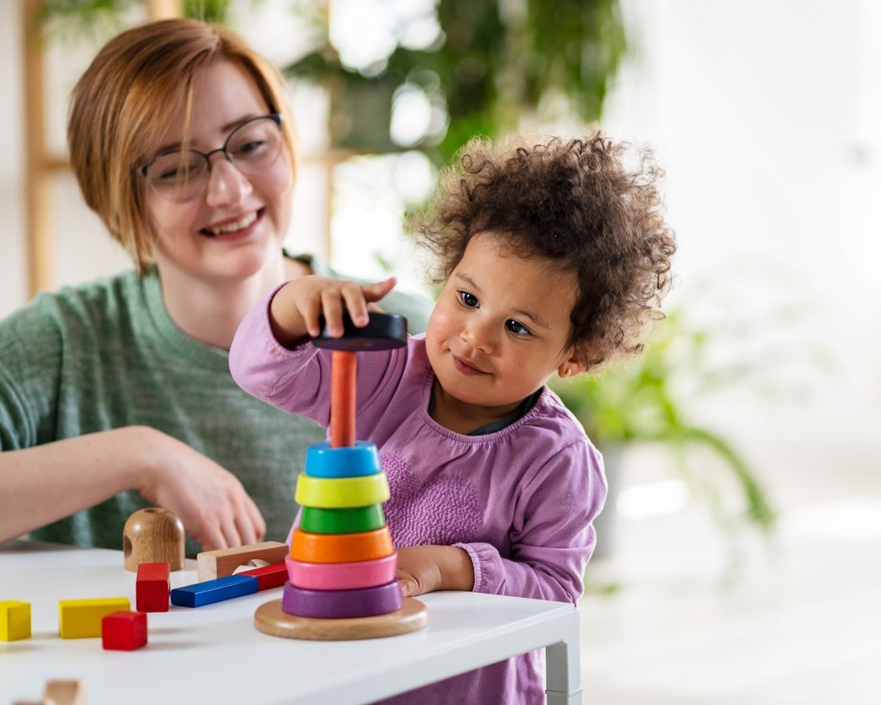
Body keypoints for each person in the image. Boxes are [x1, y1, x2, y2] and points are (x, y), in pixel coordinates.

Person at [0, 18, 428, 562]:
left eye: (251, 143)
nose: (230, 190)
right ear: (119, 199)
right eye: (176, 169)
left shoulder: (416, 339)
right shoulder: (65, 343)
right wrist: (137, 454)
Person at [229, 132, 676, 704]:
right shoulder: (386, 372)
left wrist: (454, 568)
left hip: (466, 691)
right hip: (335, 669)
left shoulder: (558, 461)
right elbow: (261, 372)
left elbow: (555, 595)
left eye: (516, 327)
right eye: (467, 299)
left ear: (574, 356)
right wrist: (293, 307)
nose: (475, 336)